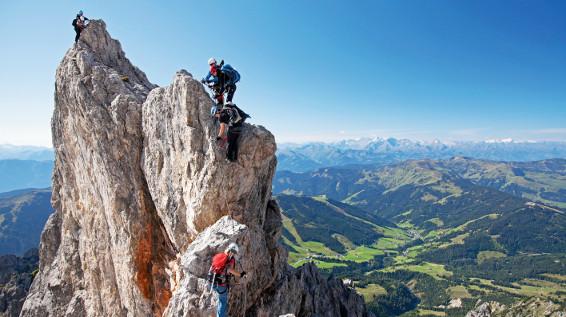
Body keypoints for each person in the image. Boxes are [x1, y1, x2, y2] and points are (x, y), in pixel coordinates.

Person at [207, 243, 246, 317]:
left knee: (220, 299)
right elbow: (230, 269)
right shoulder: (230, 259)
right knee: (223, 301)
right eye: (234, 253)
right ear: (232, 252)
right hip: (220, 285)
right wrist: (241, 274)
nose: (234, 255)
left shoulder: (220, 256)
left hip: (211, 282)